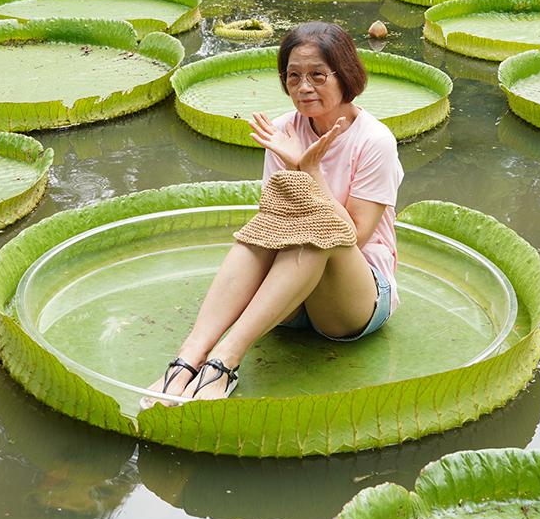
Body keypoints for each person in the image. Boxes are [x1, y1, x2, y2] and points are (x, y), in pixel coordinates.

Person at [145, 21, 404, 404]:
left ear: (345, 73)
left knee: (320, 237)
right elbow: (276, 221)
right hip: (290, 299)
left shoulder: (374, 140)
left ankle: (225, 360)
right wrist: (292, 160)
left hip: (353, 297)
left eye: (318, 75)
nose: (303, 88)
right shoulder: (283, 130)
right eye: (293, 76)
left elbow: (351, 236)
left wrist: (309, 169)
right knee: (264, 230)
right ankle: (189, 356)